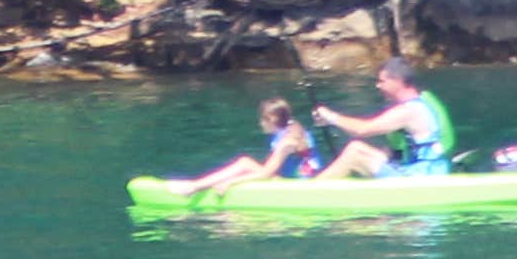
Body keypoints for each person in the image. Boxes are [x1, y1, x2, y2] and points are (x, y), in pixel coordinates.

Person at [309, 59, 455, 180]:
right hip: (425, 170)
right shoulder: (425, 100)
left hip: (421, 178)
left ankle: (311, 192)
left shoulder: (409, 111)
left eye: (382, 81)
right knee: (357, 148)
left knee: (354, 154)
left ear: (397, 81)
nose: (378, 86)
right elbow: (398, 151)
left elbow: (362, 130)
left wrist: (330, 117)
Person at [177, 98, 320, 187]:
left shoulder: (286, 143)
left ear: (272, 120)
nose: (260, 123)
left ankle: (194, 187)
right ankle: (198, 184)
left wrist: (231, 182)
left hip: (296, 186)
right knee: (246, 164)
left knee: (244, 163)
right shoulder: (295, 127)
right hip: (305, 180)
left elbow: (265, 174)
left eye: (263, 119)